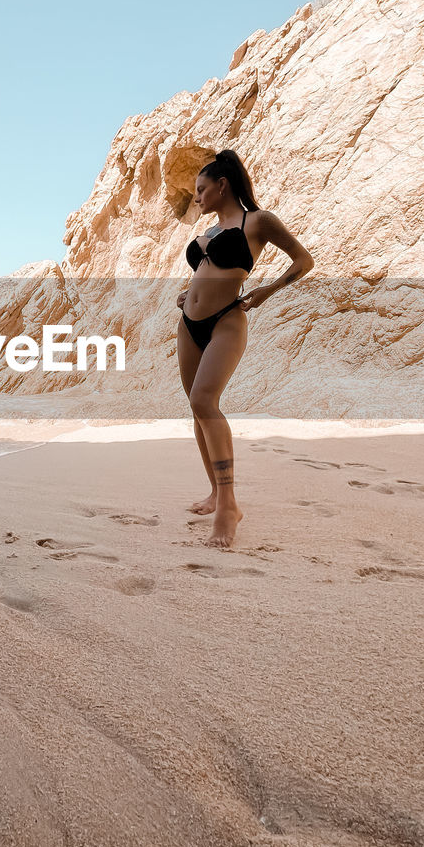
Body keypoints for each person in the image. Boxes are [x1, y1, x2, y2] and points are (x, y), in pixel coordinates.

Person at [176, 149, 314, 548]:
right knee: (196, 408)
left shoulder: (258, 221)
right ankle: (215, 492)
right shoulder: (212, 232)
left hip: (227, 322)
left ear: (222, 185)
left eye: (202, 189)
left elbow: (303, 260)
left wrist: (268, 290)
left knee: (205, 401)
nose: (197, 197)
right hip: (188, 325)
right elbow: (206, 273)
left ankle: (229, 506)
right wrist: (188, 294)